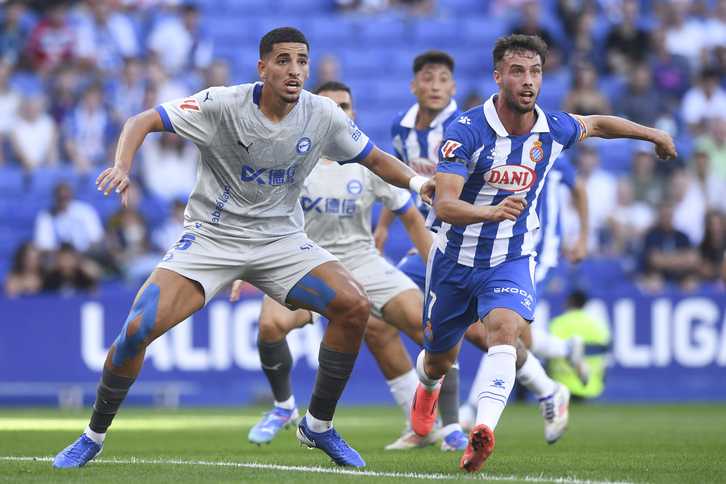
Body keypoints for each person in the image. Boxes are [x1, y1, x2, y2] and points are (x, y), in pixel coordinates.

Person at [52, 27, 433, 470]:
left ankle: (319, 425)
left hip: (281, 240)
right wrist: (122, 166)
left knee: (353, 305)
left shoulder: (323, 113)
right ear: (263, 67)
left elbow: (374, 158)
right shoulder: (222, 104)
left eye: (303, 61)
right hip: (213, 238)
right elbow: (143, 120)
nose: (295, 70)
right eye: (284, 60)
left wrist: (420, 182)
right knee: (136, 330)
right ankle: (93, 436)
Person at [410, 34, 676, 473]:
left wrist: (652, 134)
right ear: (498, 77)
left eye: (535, 71)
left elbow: (598, 124)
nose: (528, 80)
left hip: (512, 257)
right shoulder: (465, 131)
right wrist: (492, 211)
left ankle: (483, 432)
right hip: (455, 260)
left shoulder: (551, 127)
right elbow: (444, 205)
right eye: (517, 71)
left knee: (505, 334)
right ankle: (427, 387)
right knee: (438, 357)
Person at [235, 81, 468, 453]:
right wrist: (244, 265)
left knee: (431, 329)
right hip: (304, 260)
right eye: (329, 106)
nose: (338, 113)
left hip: (362, 262)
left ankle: (450, 428)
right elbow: (257, 214)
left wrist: (438, 272)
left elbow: (410, 217)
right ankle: (283, 407)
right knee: (269, 326)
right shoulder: (291, 158)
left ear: (353, 114)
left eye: (344, 106)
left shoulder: (369, 162)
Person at [547, 291, 611, 399]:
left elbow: (549, 351)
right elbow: (606, 352)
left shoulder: (559, 323)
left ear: (569, 302)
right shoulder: (598, 325)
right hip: (593, 383)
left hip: (562, 381)